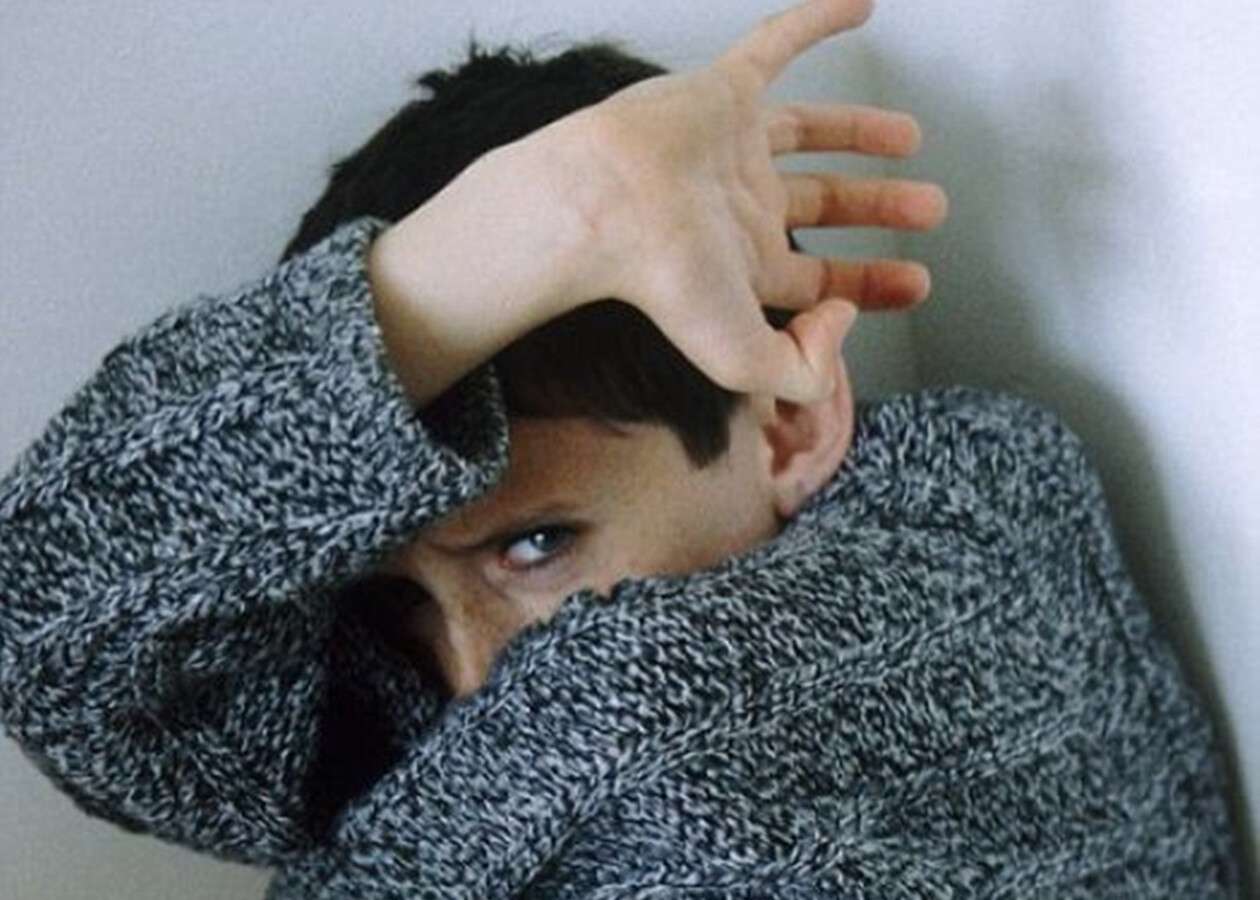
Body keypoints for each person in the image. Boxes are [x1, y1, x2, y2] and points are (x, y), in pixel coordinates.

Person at [0, 0, 1240, 897]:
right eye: (399, 601)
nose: (469, 677)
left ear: (792, 420)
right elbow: (50, 623)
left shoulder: (922, 619)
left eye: (536, 546)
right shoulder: (402, 676)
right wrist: (512, 245)